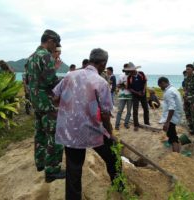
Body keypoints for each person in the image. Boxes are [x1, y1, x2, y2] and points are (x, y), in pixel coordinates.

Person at [53, 48, 123, 200]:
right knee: (113, 156)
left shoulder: (69, 75)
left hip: (69, 131)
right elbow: (105, 113)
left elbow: (55, 97)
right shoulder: (101, 82)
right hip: (92, 130)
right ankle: (119, 186)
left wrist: (68, 108)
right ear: (103, 63)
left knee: (73, 169)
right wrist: (110, 133)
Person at [26, 29, 65, 182]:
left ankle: (40, 163)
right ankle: (52, 171)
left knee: (40, 133)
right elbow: (51, 81)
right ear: (49, 40)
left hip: (36, 102)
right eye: (55, 43)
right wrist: (66, 80)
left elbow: (31, 81)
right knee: (54, 135)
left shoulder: (31, 58)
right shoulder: (46, 56)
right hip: (48, 103)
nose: (55, 47)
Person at [158, 77, 183, 152]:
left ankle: (176, 155)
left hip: (172, 117)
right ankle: (177, 152)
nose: (160, 88)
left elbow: (172, 107)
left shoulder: (169, 92)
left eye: (160, 86)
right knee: (173, 135)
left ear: (163, 83)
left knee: (172, 137)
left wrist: (167, 122)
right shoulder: (174, 89)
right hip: (175, 115)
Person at [126, 62, 150, 131]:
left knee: (145, 108)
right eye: (129, 71)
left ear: (134, 69)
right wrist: (136, 92)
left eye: (131, 70)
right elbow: (129, 88)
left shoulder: (141, 74)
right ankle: (136, 125)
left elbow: (145, 82)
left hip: (143, 94)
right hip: (135, 95)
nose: (130, 72)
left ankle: (147, 123)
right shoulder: (129, 78)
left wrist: (143, 90)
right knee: (135, 110)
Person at [115, 63, 132, 130]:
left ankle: (126, 124)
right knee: (120, 111)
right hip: (122, 95)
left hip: (130, 96)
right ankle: (117, 125)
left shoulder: (131, 76)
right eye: (125, 68)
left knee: (129, 111)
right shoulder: (120, 76)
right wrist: (123, 85)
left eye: (128, 68)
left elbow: (132, 86)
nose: (127, 70)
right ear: (124, 69)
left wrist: (126, 86)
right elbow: (117, 85)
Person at [183, 64, 194, 135]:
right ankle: (191, 128)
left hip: (193, 99)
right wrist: (185, 95)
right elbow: (186, 88)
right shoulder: (186, 78)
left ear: (193, 70)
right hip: (186, 99)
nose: (187, 70)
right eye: (186, 69)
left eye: (189, 69)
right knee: (187, 113)